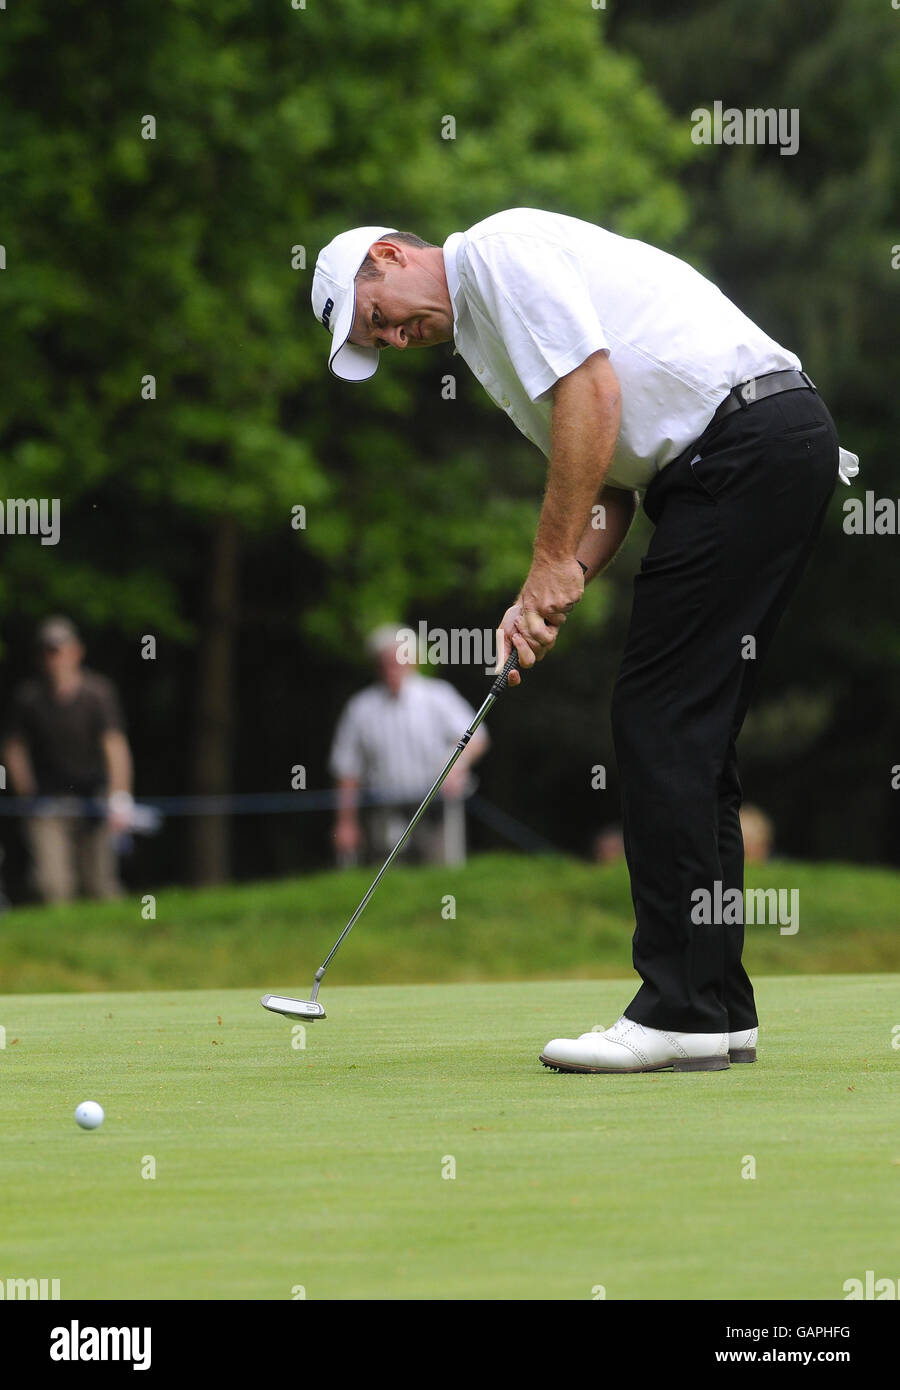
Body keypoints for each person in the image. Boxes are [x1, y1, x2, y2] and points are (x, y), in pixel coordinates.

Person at [312, 211, 860, 1074]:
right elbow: (607, 483)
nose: (394, 338)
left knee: (659, 719)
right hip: (748, 455)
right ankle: (715, 1007)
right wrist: (543, 596)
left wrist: (546, 566)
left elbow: (593, 397)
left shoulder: (496, 254)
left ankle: (679, 1007)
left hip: (743, 447)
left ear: (388, 257)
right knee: (691, 735)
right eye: (379, 342)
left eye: (377, 317)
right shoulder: (486, 344)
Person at [330, 625, 488, 866]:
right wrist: (345, 823)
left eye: (399, 658)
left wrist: (456, 764)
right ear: (376, 664)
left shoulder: (438, 696)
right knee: (389, 879)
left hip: (436, 807)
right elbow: (347, 770)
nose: (393, 666)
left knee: (442, 877)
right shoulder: (360, 708)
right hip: (383, 809)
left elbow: (476, 737)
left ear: (413, 660)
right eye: (386, 661)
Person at [2, 617, 133, 902]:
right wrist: (25, 792)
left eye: (59, 649)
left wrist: (120, 795)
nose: (55, 658)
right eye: (48, 651)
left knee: (101, 884)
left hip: (94, 799)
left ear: (76, 651)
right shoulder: (28, 698)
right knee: (53, 885)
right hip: (47, 801)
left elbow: (115, 745)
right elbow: (13, 747)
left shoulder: (98, 693)